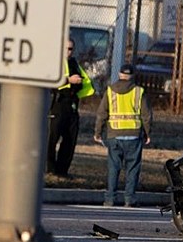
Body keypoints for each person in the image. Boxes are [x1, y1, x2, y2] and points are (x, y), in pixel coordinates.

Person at [94, 63, 152, 207]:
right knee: (133, 168)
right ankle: (129, 199)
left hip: (114, 134)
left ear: (120, 75)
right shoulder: (139, 91)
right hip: (134, 135)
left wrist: (98, 132)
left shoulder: (110, 91)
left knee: (114, 167)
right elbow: (147, 115)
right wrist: (147, 132)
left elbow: (102, 113)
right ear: (132, 76)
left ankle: (110, 199)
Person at [47, 39, 94, 177]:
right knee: (52, 138)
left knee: (70, 139)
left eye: (71, 49)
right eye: (67, 48)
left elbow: (85, 82)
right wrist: (68, 80)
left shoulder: (74, 64)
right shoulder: (54, 62)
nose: (69, 51)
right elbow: (49, 81)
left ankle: (62, 171)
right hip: (58, 104)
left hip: (72, 104)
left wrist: (78, 85)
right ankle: (49, 169)